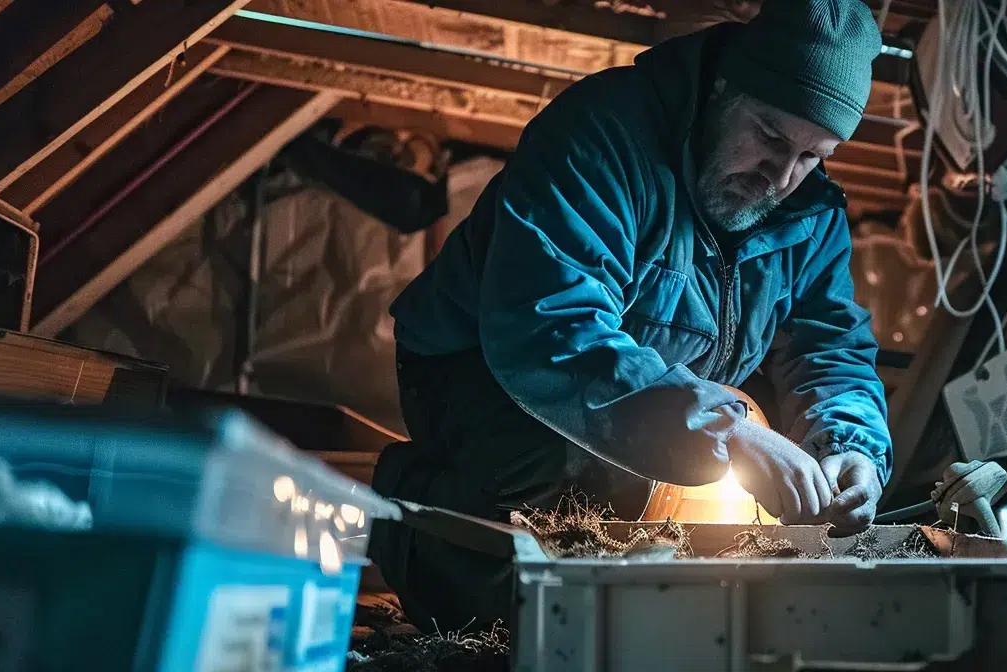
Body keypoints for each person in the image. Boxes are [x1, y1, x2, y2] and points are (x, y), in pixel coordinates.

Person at [370, 0, 893, 632]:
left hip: (664, 389)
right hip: (481, 366)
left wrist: (849, 446)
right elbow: (554, 327)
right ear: (725, 85)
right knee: (577, 500)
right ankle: (422, 523)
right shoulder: (602, 134)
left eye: (814, 156)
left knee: (703, 491)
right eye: (771, 137)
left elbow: (829, 346)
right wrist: (726, 435)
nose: (780, 178)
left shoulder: (808, 209)